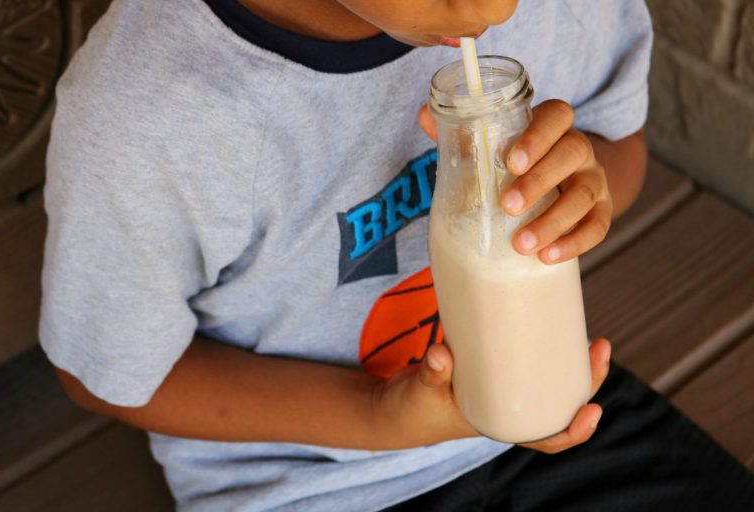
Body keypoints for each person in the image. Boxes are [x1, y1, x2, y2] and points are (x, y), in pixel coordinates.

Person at [39, 0, 754, 510]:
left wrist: (587, 186)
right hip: (316, 480)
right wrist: (378, 417)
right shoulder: (155, 117)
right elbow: (105, 374)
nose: (497, 9)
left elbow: (619, 148)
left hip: (552, 406)